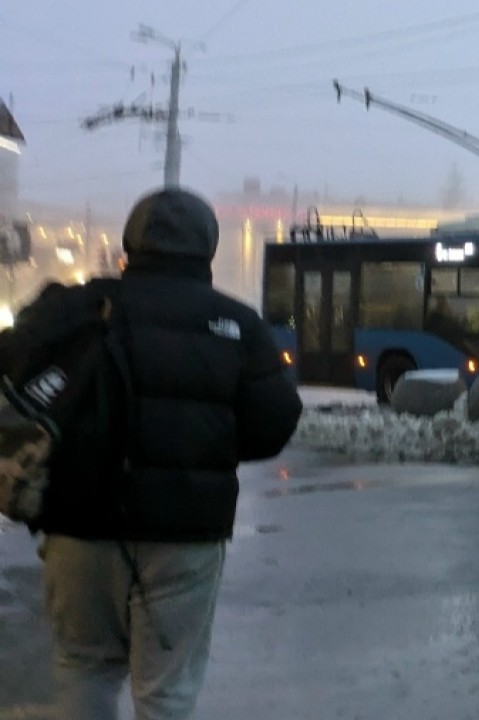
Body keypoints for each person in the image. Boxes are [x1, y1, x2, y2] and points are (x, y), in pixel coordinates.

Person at [12, 187, 303, 719]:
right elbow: (275, 422)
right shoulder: (236, 325)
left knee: (83, 668)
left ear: (131, 243)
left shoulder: (77, 309)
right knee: (166, 693)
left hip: (78, 525)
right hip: (185, 535)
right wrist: (207, 447)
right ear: (209, 248)